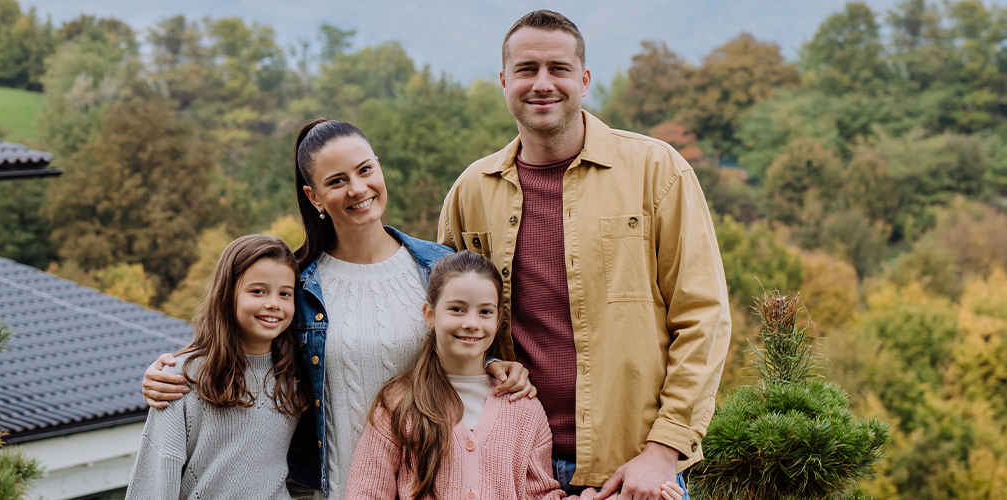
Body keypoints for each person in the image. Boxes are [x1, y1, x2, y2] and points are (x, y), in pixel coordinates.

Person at [143, 119, 536, 498]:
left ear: (379, 167)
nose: (357, 188)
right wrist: (173, 369)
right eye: (336, 181)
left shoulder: (438, 267)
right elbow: (243, 351)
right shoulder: (298, 287)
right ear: (313, 196)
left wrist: (497, 366)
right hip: (332, 488)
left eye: (365, 170)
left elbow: (468, 349)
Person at [435, 9, 731, 500]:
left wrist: (664, 450)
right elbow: (447, 323)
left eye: (559, 69)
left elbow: (703, 317)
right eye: (526, 69)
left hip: (631, 468)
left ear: (585, 80)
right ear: (504, 81)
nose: (542, 83)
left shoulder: (657, 171)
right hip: (507, 466)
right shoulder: (472, 190)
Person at [343, 252, 686, 500]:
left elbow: (540, 496)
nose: (471, 323)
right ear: (429, 314)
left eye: (484, 312)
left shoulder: (522, 406)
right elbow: (366, 492)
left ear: (498, 320)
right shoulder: (398, 404)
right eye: (457, 309)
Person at [127, 234, 311, 500]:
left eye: (285, 294)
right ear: (227, 294)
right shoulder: (182, 378)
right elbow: (156, 479)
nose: (273, 303)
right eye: (257, 291)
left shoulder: (297, 377)